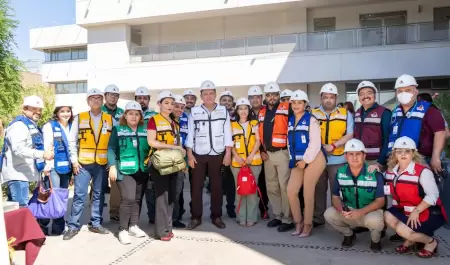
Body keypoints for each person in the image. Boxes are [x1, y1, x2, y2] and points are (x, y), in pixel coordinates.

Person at [384, 136, 447, 258]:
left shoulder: (423, 171)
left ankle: (430, 242)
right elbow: (383, 180)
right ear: (394, 153)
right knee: (387, 216)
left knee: (401, 229)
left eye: (407, 151)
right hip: (406, 209)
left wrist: (416, 211)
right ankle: (411, 238)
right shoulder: (392, 171)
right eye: (399, 151)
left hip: (427, 212)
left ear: (413, 153)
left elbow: (433, 196)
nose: (403, 154)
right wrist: (374, 168)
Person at [64, 88, 113, 240]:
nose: (96, 100)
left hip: (101, 164)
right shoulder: (80, 118)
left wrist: (111, 162)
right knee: (79, 195)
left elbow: (113, 143)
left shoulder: (110, 119)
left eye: (99, 98)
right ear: (88, 102)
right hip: (83, 164)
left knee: (99, 195)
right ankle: (73, 226)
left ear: (102, 101)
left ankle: (96, 223)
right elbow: (71, 141)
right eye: (93, 98)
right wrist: (74, 161)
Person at [186, 80, 233, 230]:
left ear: (215, 95)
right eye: (205, 93)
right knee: (196, 187)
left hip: (217, 153)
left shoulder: (223, 111)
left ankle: (216, 216)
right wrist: (189, 154)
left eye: (211, 93)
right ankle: (196, 216)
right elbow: (190, 134)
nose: (208, 96)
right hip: (198, 153)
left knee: (217, 187)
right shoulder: (194, 112)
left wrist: (228, 153)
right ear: (201, 96)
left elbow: (228, 133)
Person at [324, 139, 385, 251]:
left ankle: (375, 240)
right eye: (351, 154)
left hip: (369, 212)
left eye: (358, 154)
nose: (354, 157)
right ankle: (349, 235)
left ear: (364, 155)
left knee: (376, 221)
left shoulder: (375, 174)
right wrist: (341, 208)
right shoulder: (340, 172)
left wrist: (360, 212)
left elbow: (381, 201)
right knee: (329, 214)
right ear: (346, 156)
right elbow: (335, 197)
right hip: (350, 211)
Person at [312, 83, 354, 227]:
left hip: (338, 159)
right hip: (318, 158)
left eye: (331, 97)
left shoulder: (345, 113)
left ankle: (338, 218)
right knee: (318, 189)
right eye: (325, 97)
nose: (328, 100)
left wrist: (334, 146)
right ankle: (318, 218)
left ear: (336, 98)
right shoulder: (313, 113)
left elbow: (350, 134)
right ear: (321, 98)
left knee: (338, 191)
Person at [107, 101, 149, 244]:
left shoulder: (145, 129)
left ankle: (133, 225)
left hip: (142, 169)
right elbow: (111, 148)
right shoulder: (118, 129)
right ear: (125, 115)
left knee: (137, 199)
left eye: (137, 114)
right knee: (128, 198)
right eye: (130, 113)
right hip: (124, 170)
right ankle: (123, 229)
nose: (134, 116)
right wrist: (112, 166)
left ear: (140, 116)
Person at [286, 90, 326, 238]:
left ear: (305, 104)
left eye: (299, 102)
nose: (296, 105)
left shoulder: (311, 119)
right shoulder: (291, 120)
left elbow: (315, 143)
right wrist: (294, 159)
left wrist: (306, 160)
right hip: (299, 160)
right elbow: (289, 142)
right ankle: (298, 222)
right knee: (291, 190)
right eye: (294, 102)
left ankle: (308, 225)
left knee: (307, 191)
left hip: (314, 158)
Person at [1, 96, 53, 207]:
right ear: (25, 108)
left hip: (23, 175)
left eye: (40, 109)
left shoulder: (30, 125)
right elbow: (18, 149)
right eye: (34, 109)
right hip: (18, 175)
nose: (38, 112)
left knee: (15, 210)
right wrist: (42, 154)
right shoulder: (19, 126)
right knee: (20, 208)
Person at [147, 91, 186, 241]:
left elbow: (178, 143)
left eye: (172, 103)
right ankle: (161, 231)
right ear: (159, 104)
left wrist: (181, 161)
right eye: (166, 103)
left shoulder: (174, 121)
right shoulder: (153, 120)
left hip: (174, 162)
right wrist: (173, 147)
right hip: (160, 163)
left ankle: (168, 227)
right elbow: (152, 141)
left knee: (171, 196)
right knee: (162, 197)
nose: (170, 106)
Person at [258, 82, 294, 232]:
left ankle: (288, 218)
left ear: (279, 95)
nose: (272, 97)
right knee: (272, 187)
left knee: (285, 187)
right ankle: (278, 215)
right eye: (269, 95)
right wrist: (261, 150)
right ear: (265, 97)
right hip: (268, 154)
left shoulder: (287, 108)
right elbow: (259, 133)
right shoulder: (262, 112)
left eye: (275, 94)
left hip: (282, 153)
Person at [39, 100, 74, 235]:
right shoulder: (49, 126)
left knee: (62, 196)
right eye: (62, 111)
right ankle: (42, 225)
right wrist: (46, 167)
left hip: (67, 167)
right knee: (52, 196)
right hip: (53, 167)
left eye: (68, 111)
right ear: (57, 113)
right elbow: (47, 147)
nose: (65, 114)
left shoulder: (72, 126)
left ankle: (58, 227)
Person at [230, 97, 262, 227]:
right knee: (240, 191)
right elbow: (230, 143)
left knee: (252, 191)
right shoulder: (231, 125)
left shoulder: (255, 124)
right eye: (240, 108)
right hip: (237, 163)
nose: (243, 111)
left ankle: (252, 217)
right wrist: (236, 156)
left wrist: (251, 156)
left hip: (254, 162)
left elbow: (258, 141)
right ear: (236, 110)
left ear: (249, 110)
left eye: (245, 108)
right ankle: (241, 217)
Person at [134, 86, 159, 225]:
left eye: (144, 98)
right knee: (135, 194)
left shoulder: (154, 116)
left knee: (150, 190)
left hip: (149, 158)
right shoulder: (130, 114)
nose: (142, 100)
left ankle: (153, 217)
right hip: (133, 158)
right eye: (139, 98)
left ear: (149, 100)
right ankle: (134, 221)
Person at [354, 81, 391, 168]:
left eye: (369, 93)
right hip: (359, 159)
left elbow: (388, 139)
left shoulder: (384, 112)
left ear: (375, 95)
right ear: (359, 97)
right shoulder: (357, 113)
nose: (365, 96)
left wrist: (380, 162)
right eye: (361, 94)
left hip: (376, 161)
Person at [102, 84, 125, 221]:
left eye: (116, 95)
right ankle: (96, 214)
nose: (113, 97)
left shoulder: (122, 113)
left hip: (115, 152)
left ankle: (114, 212)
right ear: (105, 96)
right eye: (110, 94)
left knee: (115, 182)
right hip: (100, 151)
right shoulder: (99, 111)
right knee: (98, 185)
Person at [247, 85, 269, 219]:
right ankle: (249, 210)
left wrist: (262, 150)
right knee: (249, 183)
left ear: (262, 98)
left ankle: (264, 209)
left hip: (265, 153)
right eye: (252, 97)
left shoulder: (268, 111)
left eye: (258, 97)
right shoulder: (244, 112)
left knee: (263, 183)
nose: (255, 100)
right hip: (249, 155)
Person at [171, 95, 188, 228]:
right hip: (165, 160)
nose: (179, 109)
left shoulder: (185, 120)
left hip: (180, 161)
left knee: (177, 191)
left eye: (182, 107)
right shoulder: (164, 120)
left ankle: (175, 218)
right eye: (177, 106)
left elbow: (187, 142)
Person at [219, 90, 237, 218]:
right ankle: (217, 210)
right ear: (220, 102)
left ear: (233, 103)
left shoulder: (237, 116)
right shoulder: (215, 115)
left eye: (229, 101)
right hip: (217, 153)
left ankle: (231, 208)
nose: (226, 103)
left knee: (231, 184)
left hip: (233, 153)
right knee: (217, 184)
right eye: (224, 100)